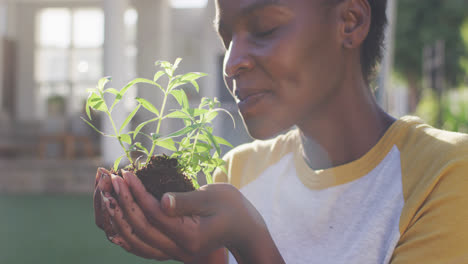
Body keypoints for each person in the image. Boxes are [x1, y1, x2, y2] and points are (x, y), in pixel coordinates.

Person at [94, 0, 468, 263]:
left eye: (263, 29)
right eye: (227, 39)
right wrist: (207, 258)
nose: (232, 63)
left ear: (350, 21)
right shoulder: (239, 172)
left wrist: (250, 242)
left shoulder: (446, 175)